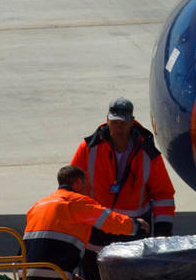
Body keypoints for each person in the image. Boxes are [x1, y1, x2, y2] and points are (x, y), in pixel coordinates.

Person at [70, 97, 176, 247]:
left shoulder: (148, 153)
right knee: (94, 270)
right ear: (107, 120)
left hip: (135, 231)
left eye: (123, 123)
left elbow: (163, 195)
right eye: (115, 122)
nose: (119, 128)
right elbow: (71, 188)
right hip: (97, 229)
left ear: (132, 122)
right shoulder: (88, 148)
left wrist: (163, 231)